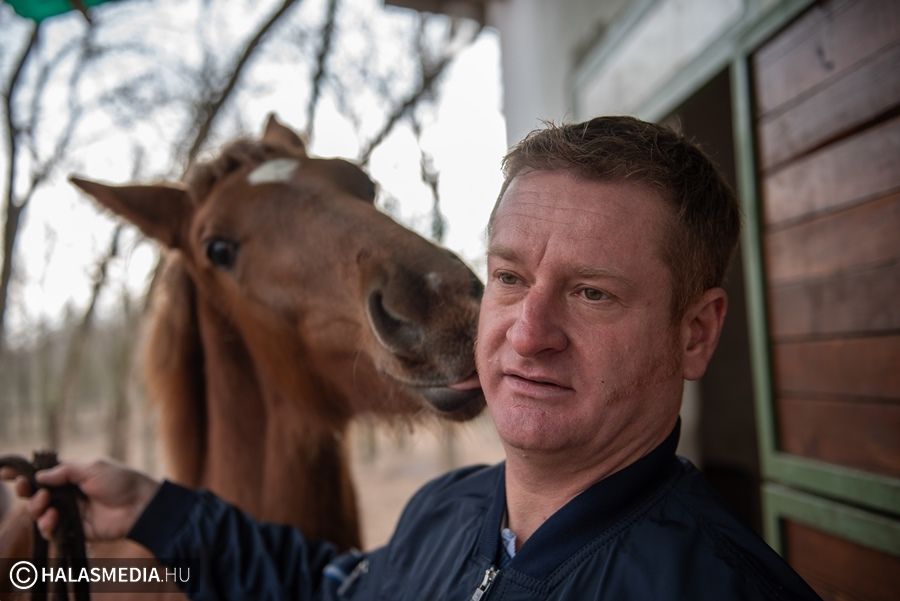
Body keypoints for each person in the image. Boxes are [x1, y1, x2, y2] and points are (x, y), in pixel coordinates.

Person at [3, 116, 822, 600]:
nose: (524, 331)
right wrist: (153, 506)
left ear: (696, 333)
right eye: (507, 277)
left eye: (592, 293)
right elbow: (334, 589)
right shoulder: (447, 513)